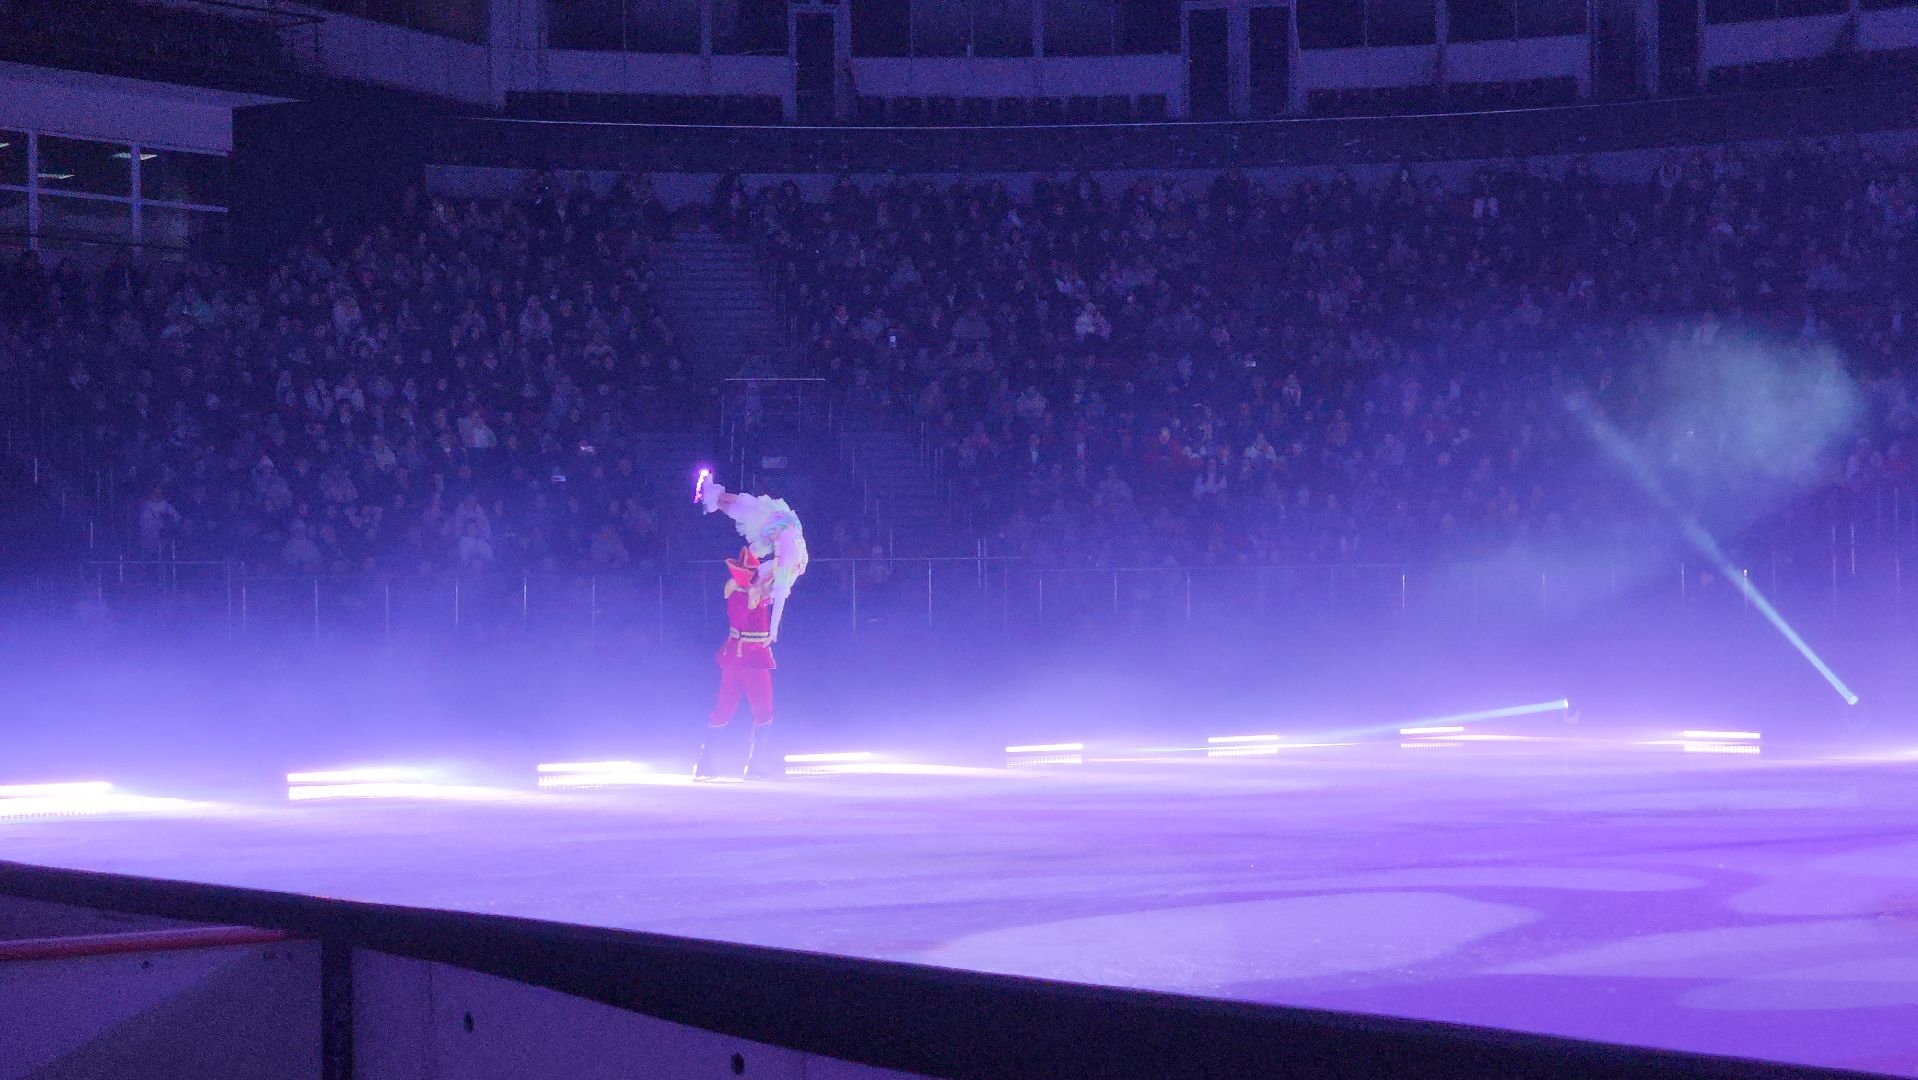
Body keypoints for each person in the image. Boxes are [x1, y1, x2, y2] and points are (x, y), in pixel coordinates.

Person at [695, 546, 779, 781]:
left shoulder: (744, 592)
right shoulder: (746, 595)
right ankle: (754, 764)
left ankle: (706, 762)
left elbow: (771, 578)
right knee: (762, 709)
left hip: (735, 657)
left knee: (725, 708)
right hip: (751, 659)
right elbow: (747, 611)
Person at [698, 478, 808, 642]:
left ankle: (715, 499)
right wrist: (773, 631)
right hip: (776, 524)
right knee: (747, 510)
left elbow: (763, 569)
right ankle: (715, 497)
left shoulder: (778, 570)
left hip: (780, 528)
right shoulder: (783, 573)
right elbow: (778, 603)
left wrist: (751, 575)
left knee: (746, 509)